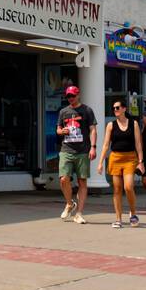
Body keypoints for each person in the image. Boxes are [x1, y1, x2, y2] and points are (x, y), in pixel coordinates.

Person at [100, 100, 144, 228]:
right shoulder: (110, 125)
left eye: (117, 107)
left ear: (124, 109)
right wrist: (101, 162)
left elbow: (138, 144)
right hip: (115, 158)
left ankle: (133, 213)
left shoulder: (133, 124)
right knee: (117, 189)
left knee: (128, 187)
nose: (115, 110)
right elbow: (105, 145)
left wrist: (140, 161)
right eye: (113, 108)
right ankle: (118, 219)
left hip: (130, 158)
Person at [56, 85, 97, 225]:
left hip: (83, 151)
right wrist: (61, 132)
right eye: (68, 96)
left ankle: (79, 213)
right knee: (63, 179)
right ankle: (69, 203)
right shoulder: (63, 111)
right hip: (66, 150)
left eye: (73, 96)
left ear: (78, 95)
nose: (70, 98)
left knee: (82, 181)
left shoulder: (87, 110)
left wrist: (93, 147)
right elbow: (58, 129)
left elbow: (92, 130)